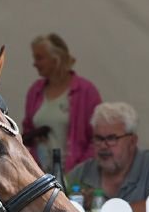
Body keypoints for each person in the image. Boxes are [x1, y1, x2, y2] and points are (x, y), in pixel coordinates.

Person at [64, 102, 149, 212]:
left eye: (112, 138)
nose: (104, 146)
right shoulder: (81, 172)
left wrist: (103, 208)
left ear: (132, 141)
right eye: (99, 138)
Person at [21, 33, 101, 170]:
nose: (34, 64)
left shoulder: (86, 91)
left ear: (56, 59)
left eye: (39, 58)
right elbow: (27, 130)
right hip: (41, 175)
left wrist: (80, 169)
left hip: (76, 175)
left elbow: (97, 137)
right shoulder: (35, 91)